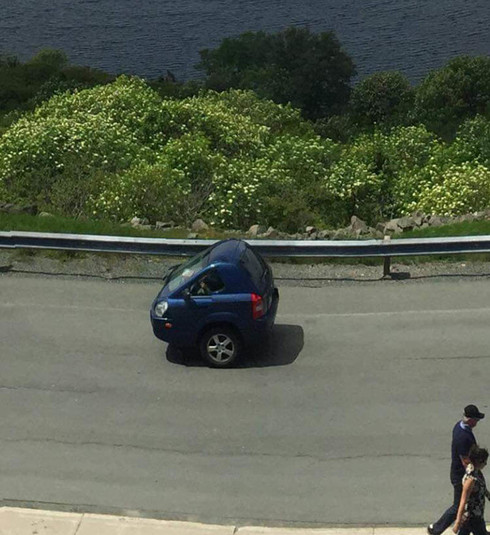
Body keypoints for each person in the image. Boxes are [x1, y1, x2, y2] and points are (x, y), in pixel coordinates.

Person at [428, 405, 486, 535]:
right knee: (458, 505)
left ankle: (477, 530)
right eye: (476, 420)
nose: (477, 422)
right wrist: (476, 474)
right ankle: (436, 529)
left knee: (468, 508)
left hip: (458, 472)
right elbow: (465, 461)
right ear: (470, 420)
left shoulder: (459, 426)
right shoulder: (463, 437)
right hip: (459, 475)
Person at [453, 445, 489, 535]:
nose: (486, 464)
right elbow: (463, 501)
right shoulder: (470, 479)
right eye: (484, 461)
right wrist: (457, 522)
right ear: (478, 461)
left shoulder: (477, 472)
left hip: (476, 515)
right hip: (473, 517)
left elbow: (483, 489)